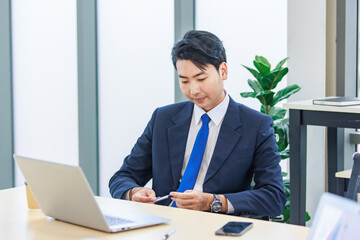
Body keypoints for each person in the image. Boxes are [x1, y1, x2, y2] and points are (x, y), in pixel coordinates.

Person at [109, 30, 286, 216]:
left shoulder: (256, 125)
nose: (194, 90)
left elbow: (273, 197)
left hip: (215, 229)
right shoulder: (163, 119)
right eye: (184, 81)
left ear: (223, 71)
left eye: (201, 79)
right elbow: (123, 177)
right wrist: (134, 193)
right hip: (163, 224)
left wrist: (214, 201)